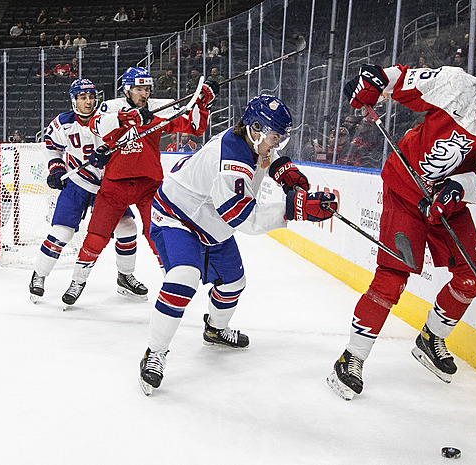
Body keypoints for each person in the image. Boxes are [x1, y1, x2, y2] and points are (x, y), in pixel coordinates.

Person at [327, 52, 476, 400]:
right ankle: (351, 358)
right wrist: (374, 81)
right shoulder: (454, 84)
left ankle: (430, 338)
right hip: (406, 191)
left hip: (449, 201)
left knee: (472, 279)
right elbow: (401, 80)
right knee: (393, 276)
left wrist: (459, 188)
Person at [138, 94, 337, 395]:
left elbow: (265, 159)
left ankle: (215, 330)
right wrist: (295, 209)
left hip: (210, 222)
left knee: (234, 283)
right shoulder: (230, 160)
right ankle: (154, 352)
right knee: (183, 278)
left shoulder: (248, 139)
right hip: (178, 219)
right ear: (256, 129)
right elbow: (241, 218)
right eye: (275, 138)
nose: (276, 144)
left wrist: (285, 172)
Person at [60, 67, 218, 306]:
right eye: (138, 89)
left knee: (160, 235)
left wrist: (202, 104)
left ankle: (173, 281)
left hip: (149, 186)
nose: (144, 94)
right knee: (97, 236)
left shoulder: (156, 108)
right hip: (115, 185)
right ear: (127, 90)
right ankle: (78, 280)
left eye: (146, 89)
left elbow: (194, 128)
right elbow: (96, 126)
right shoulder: (111, 107)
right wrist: (127, 118)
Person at [29, 79, 146, 303]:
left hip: (108, 186)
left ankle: (125, 277)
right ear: (74, 100)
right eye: (83, 97)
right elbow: (52, 148)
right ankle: (39, 275)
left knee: (127, 227)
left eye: (91, 96)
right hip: (77, 183)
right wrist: (56, 169)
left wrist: (110, 153)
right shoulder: (63, 123)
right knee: (62, 233)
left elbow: (125, 140)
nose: (88, 101)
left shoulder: (105, 118)